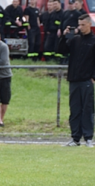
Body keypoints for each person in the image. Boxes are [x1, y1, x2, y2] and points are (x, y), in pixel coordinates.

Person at [57, 14, 95, 147]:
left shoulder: (93, 41)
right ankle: (75, 138)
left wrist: (93, 77)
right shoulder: (75, 40)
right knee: (75, 109)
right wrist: (64, 36)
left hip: (86, 80)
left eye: (83, 25)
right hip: (73, 79)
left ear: (89, 24)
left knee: (87, 109)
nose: (80, 27)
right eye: (79, 24)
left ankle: (89, 137)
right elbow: (62, 50)